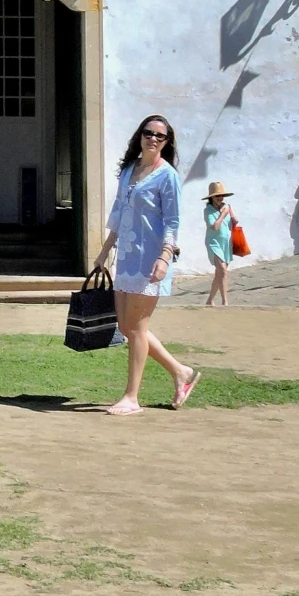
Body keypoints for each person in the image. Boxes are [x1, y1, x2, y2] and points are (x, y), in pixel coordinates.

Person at [90, 114, 199, 415]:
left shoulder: (168, 177)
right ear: (140, 135)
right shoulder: (128, 170)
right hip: (126, 258)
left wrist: (165, 257)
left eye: (159, 136)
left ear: (166, 142)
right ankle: (180, 371)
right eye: (148, 133)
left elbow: (173, 222)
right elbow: (119, 214)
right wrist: (104, 252)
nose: (153, 139)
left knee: (137, 328)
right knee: (126, 326)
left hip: (151, 261)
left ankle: (131, 397)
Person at [202, 180, 238, 306]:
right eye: (217, 196)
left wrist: (231, 214)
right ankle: (225, 302)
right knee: (222, 270)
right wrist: (223, 214)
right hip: (214, 243)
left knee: (219, 273)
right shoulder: (208, 211)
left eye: (221, 195)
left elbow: (235, 221)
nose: (220, 198)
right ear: (212, 198)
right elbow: (215, 227)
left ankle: (209, 300)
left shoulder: (227, 207)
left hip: (226, 243)